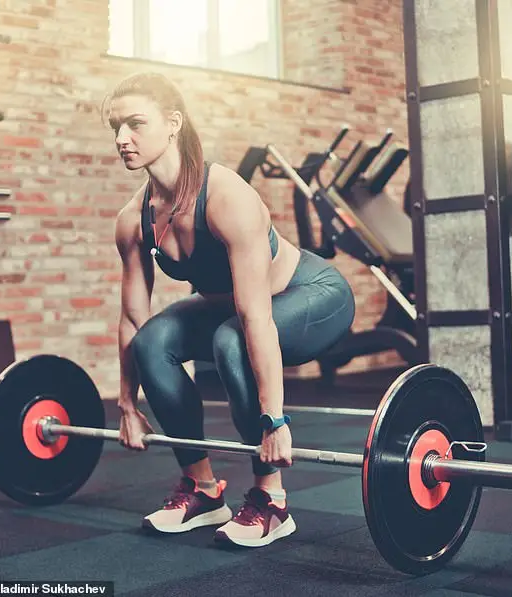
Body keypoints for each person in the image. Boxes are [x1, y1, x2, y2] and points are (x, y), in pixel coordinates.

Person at [107, 72, 356, 548]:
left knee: (231, 337)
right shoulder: (132, 221)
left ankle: (271, 500)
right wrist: (126, 404)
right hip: (239, 312)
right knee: (153, 340)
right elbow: (132, 320)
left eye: (135, 123)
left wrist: (276, 419)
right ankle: (203, 490)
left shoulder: (225, 196)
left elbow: (255, 317)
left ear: (173, 123)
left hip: (313, 295)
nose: (122, 139)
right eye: (116, 126)